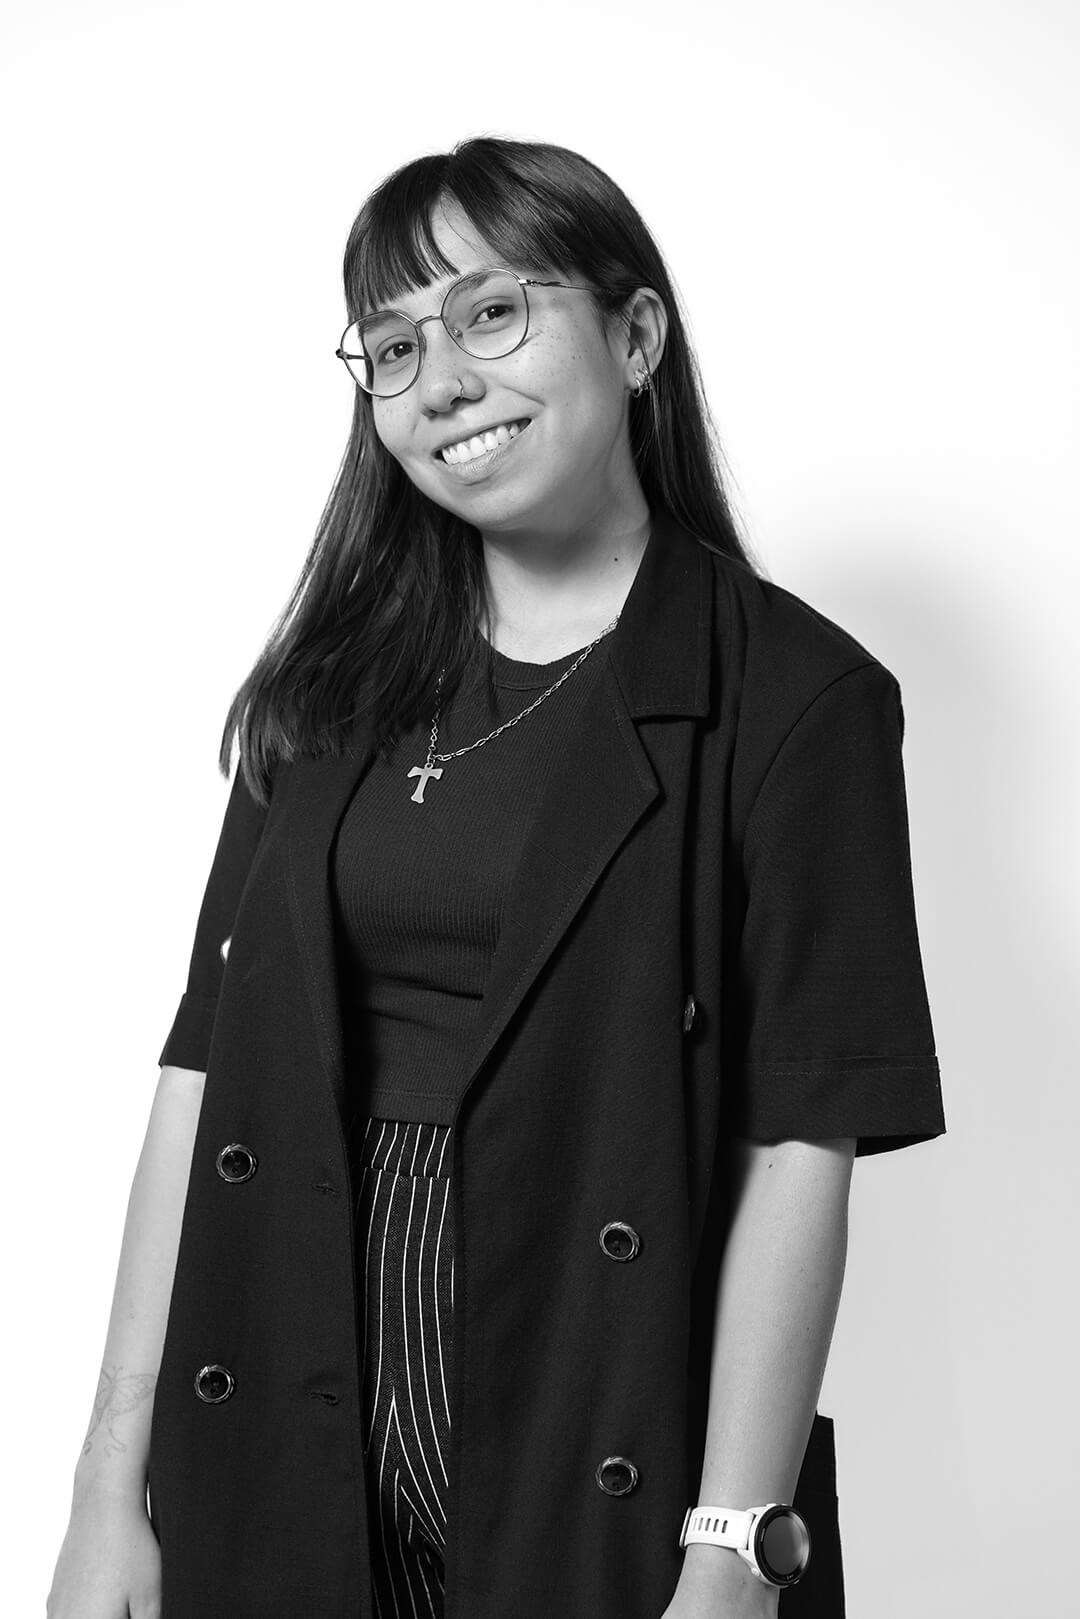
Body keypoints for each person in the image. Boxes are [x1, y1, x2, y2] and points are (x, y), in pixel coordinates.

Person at [47, 136, 946, 1619]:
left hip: (601, 1412)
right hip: (278, 1396)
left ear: (638, 335)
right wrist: (106, 1492)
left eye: (490, 313)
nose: (440, 379)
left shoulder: (798, 700)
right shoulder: (325, 691)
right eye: (393, 345)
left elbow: (805, 1149)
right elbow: (202, 1079)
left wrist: (732, 1549)